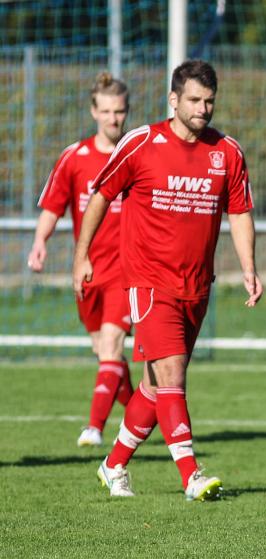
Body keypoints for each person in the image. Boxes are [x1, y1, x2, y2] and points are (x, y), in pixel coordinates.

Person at [73, 60, 262, 501]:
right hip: (146, 280)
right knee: (173, 373)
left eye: (210, 100)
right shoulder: (142, 142)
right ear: (173, 100)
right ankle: (191, 475)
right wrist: (81, 255)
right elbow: (101, 194)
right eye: (195, 100)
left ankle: (113, 464)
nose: (203, 108)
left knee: (156, 386)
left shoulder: (227, 152)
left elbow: (239, 212)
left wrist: (249, 267)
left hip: (196, 285)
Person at [28, 72, 134, 448]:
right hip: (87, 270)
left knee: (111, 347)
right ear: (93, 112)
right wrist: (40, 241)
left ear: (126, 111)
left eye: (119, 111)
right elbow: (53, 206)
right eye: (105, 111)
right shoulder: (75, 157)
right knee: (104, 352)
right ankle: (141, 410)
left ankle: (94, 427)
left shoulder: (136, 155)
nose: (113, 119)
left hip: (128, 271)